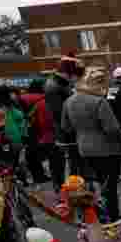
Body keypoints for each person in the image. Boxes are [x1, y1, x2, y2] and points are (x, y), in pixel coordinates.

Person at [60, 67, 121, 222]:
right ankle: (112, 215)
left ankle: (95, 214)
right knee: (109, 185)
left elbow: (66, 127)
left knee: (92, 183)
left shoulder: (69, 101)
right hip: (107, 149)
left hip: (84, 148)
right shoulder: (98, 101)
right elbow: (111, 128)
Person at [45, 54, 81, 190]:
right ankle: (70, 193)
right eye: (72, 74)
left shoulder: (59, 84)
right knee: (70, 166)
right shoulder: (55, 86)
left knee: (73, 166)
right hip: (67, 134)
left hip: (67, 132)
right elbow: (60, 113)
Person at [21, 80, 55, 185]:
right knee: (45, 155)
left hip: (26, 129)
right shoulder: (43, 98)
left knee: (30, 155)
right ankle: (42, 176)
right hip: (40, 130)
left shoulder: (22, 98)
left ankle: (36, 177)